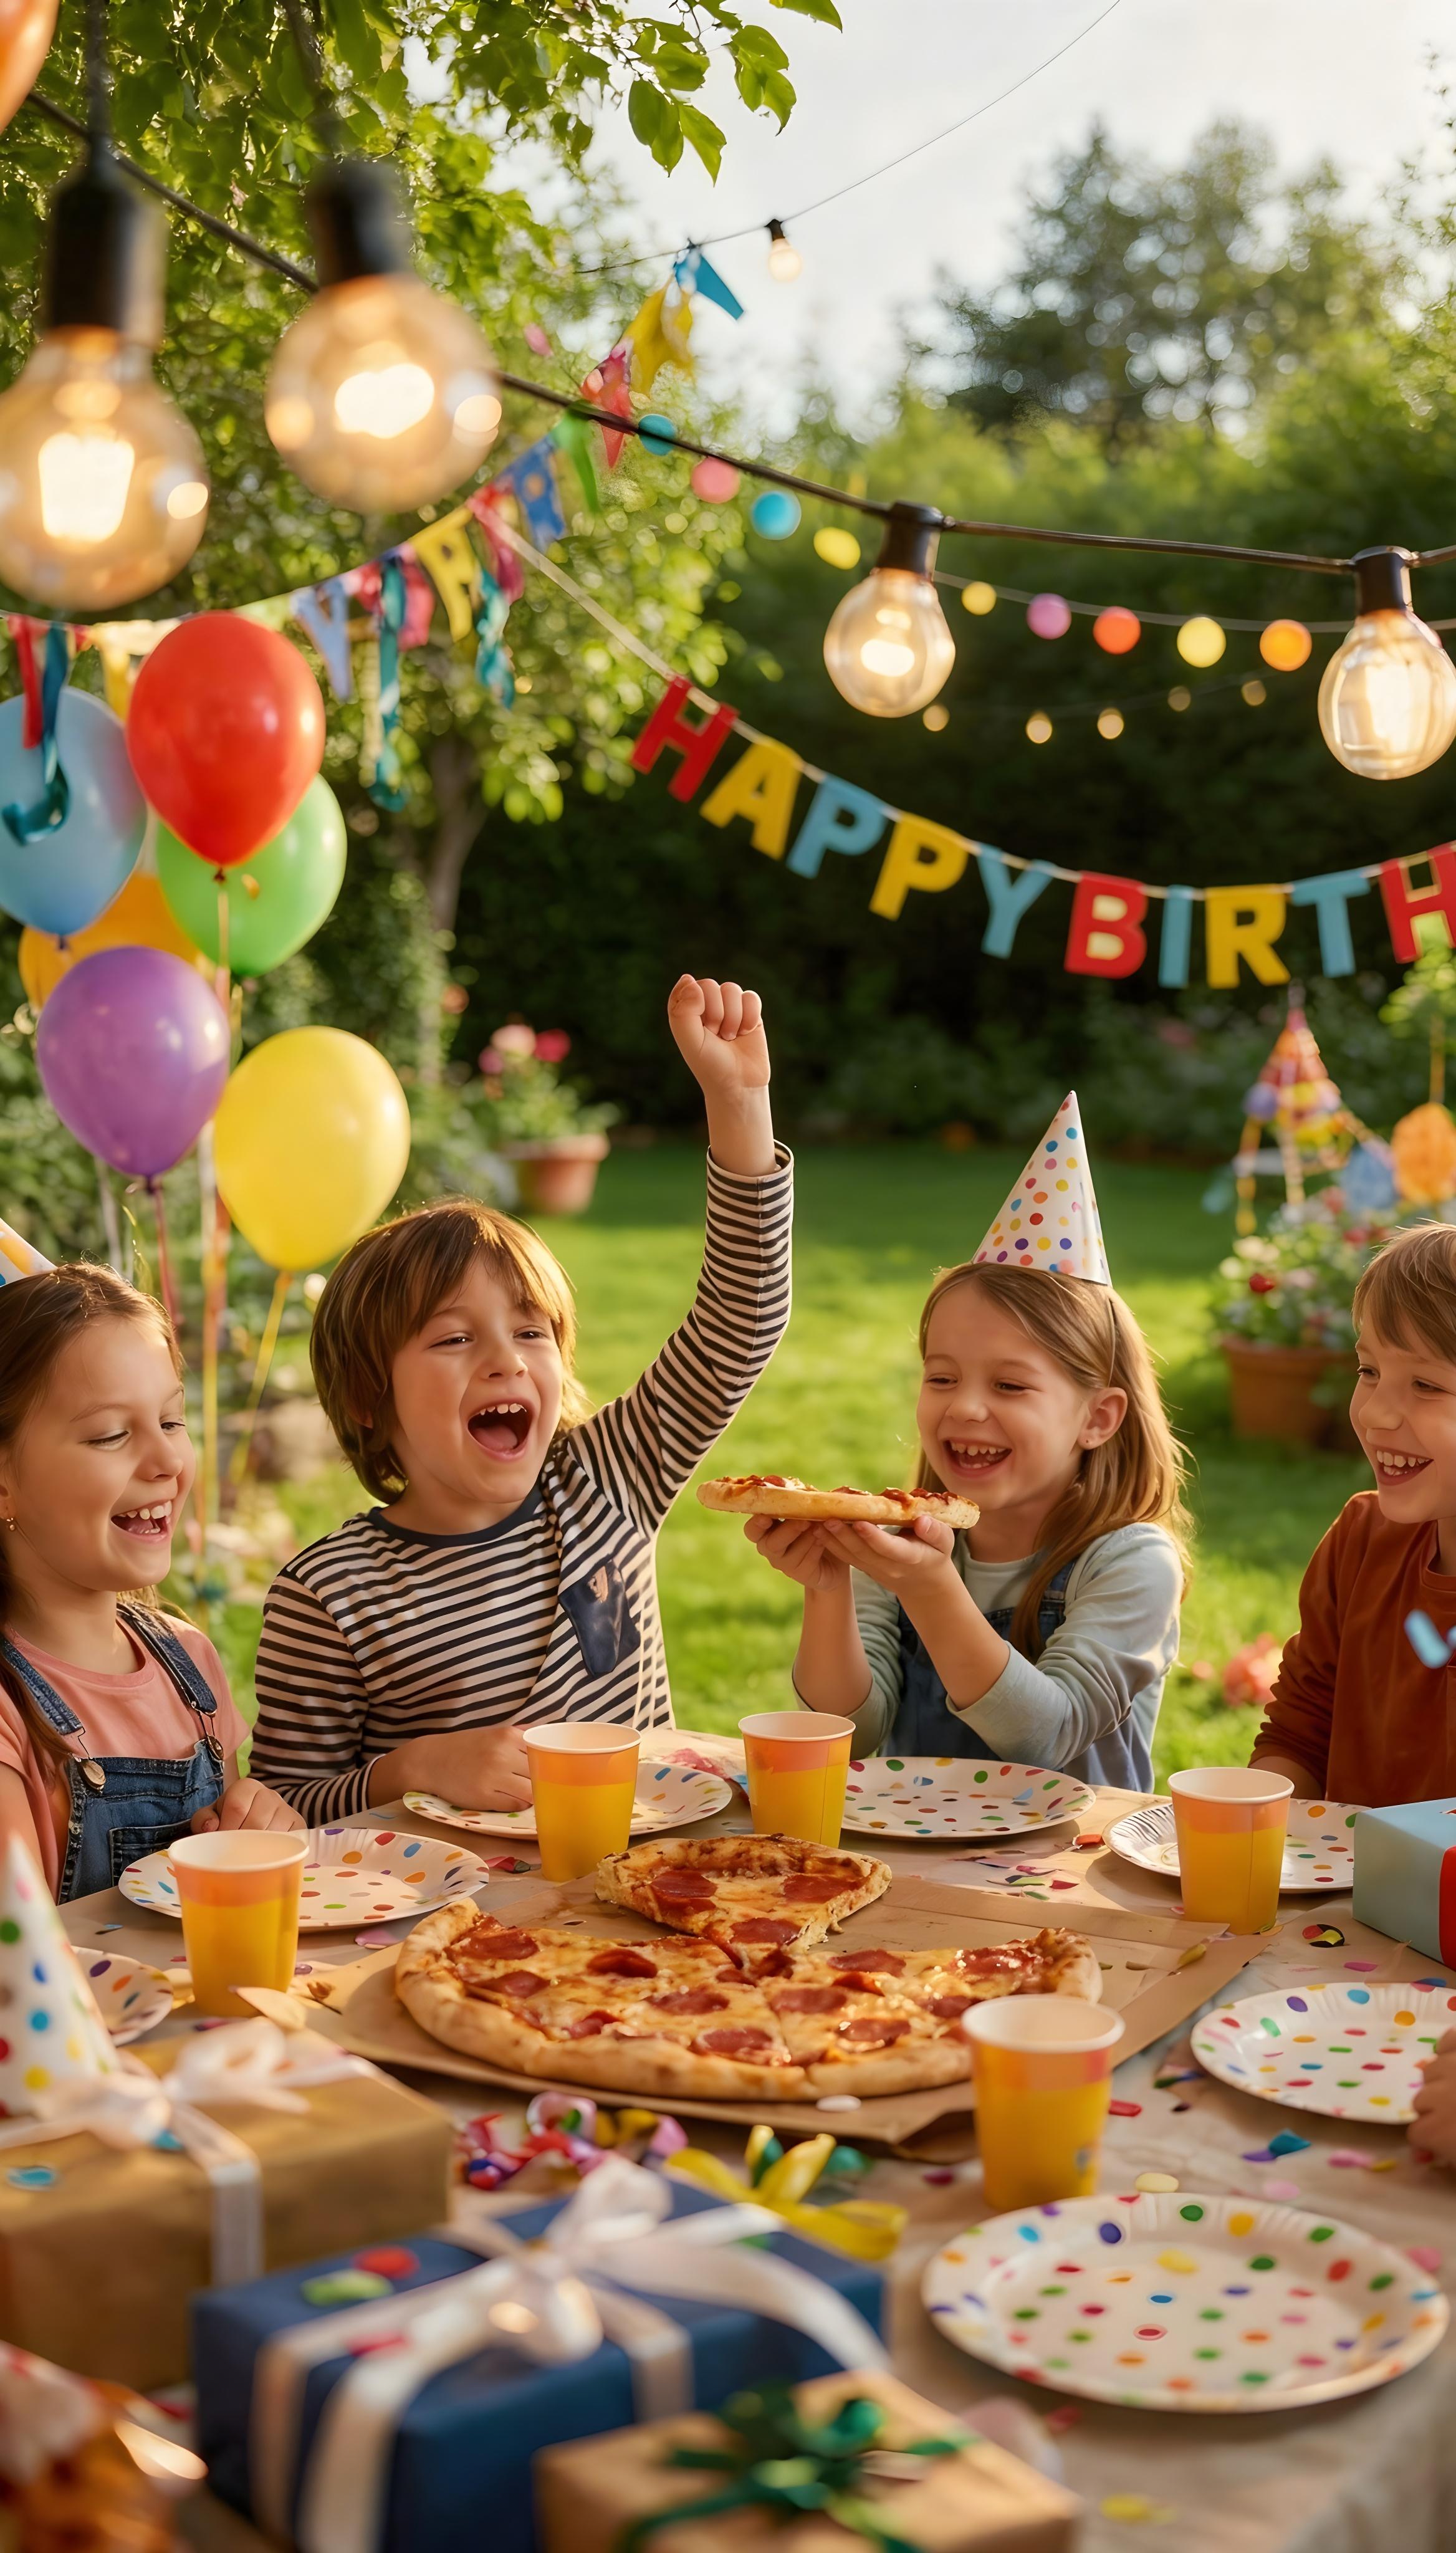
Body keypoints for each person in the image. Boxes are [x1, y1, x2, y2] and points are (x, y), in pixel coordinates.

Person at [249, 975, 790, 1825]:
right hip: (457, 1917)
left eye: (532, 1332)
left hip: (653, 1881)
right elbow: (281, 1811)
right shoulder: (328, 1595)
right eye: (455, 1338)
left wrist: (738, 1098)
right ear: (365, 1394)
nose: (506, 1361)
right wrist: (411, 1769)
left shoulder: (609, 1478)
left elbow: (745, 1310)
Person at [745, 1096, 1187, 1789]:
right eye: (942, 1377)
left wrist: (928, 1587)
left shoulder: (1129, 1563)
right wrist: (826, 1589)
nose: (966, 1407)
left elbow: (1045, 1733)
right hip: (904, 1858)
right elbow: (846, 1735)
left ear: (1097, 1418)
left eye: (1010, 1386)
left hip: (1062, 1875)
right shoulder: (890, 1543)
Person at [0, 1263, 299, 1902]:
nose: (166, 1462)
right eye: (111, 1434)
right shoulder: (9, 1714)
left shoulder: (189, 1664)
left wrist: (256, 1832)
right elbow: (20, 1972)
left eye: (170, 1421)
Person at [1253, 1217, 1456, 1804]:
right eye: (1369, 1371)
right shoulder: (1362, 1541)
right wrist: (1254, 1831)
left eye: (1426, 1385)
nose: (1374, 1414)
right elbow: (1301, 1733)